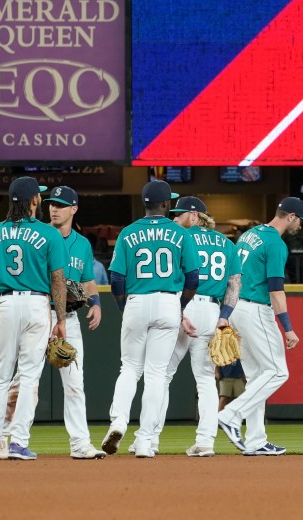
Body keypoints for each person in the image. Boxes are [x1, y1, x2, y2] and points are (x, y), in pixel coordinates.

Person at [2, 186, 105, 459]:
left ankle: (80, 444)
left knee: (74, 384)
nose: (54, 208)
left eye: (61, 204)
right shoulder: (40, 234)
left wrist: (95, 303)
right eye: (51, 204)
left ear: (74, 209)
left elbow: (87, 281)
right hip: (40, 314)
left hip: (68, 318)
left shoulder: (82, 244)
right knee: (24, 381)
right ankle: (1, 437)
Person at [101, 181, 200, 458]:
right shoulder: (180, 234)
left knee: (130, 368)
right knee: (157, 374)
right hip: (169, 301)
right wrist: (179, 306)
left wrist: (125, 308)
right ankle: (145, 441)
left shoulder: (128, 233)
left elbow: (117, 279)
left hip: (136, 300)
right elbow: (193, 278)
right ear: (166, 204)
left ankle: (118, 422)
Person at [0, 177, 67, 461]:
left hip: (6, 302)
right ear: (34, 201)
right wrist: (60, 318)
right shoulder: (49, 234)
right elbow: (58, 280)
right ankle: (18, 443)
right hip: (38, 304)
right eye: (38, 196)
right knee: (29, 377)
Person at [216, 197, 303, 456]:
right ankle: (231, 414)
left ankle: (256, 440)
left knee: (257, 377)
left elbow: (232, 276)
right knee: (278, 372)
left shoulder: (248, 235)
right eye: (300, 220)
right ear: (290, 216)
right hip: (255, 308)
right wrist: (287, 327)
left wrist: (226, 311)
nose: (301, 225)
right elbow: (276, 291)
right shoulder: (275, 243)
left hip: (236, 307)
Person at [154, 196, 241, 457]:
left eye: (178, 215)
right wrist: (225, 315)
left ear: (194, 216)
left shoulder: (182, 239)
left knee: (163, 374)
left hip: (185, 306)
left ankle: (149, 438)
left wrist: (179, 311)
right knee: (205, 379)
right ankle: (205, 441)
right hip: (213, 311)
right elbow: (235, 284)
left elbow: (174, 278)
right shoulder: (227, 243)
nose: (174, 219)